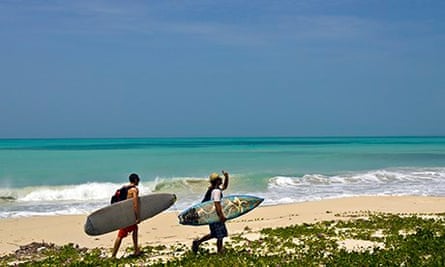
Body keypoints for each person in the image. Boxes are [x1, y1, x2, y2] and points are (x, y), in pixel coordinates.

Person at [192, 170, 229, 254]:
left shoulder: (215, 189)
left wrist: (227, 177)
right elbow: (217, 204)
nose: (221, 179)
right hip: (215, 216)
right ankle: (220, 251)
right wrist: (221, 216)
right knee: (220, 235)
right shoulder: (216, 191)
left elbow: (224, 187)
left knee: (214, 234)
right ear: (217, 181)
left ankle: (197, 243)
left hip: (213, 215)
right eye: (220, 178)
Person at [111, 173, 142, 258]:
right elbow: (135, 204)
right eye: (138, 179)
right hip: (128, 215)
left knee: (135, 229)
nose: (139, 180)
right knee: (121, 234)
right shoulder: (134, 190)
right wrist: (137, 217)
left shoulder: (124, 188)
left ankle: (136, 250)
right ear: (135, 180)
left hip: (123, 213)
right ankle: (113, 255)